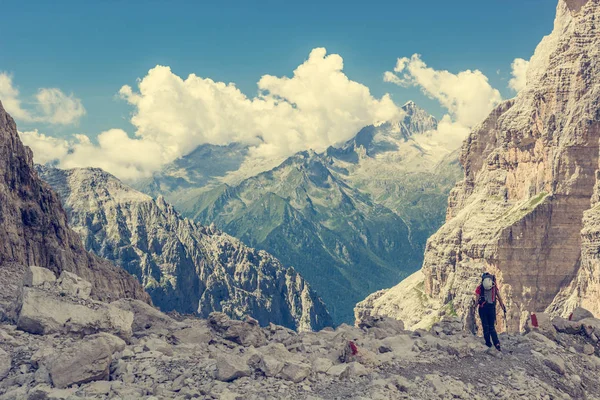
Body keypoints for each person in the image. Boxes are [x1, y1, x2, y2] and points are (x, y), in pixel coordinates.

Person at [474, 272, 506, 351]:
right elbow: (500, 298)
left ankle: (488, 343)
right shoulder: (494, 288)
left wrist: (474, 307)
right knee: (492, 327)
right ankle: (497, 343)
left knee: (485, 326)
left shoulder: (479, 288)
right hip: (491, 309)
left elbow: (477, 300)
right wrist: (503, 307)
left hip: (482, 309)